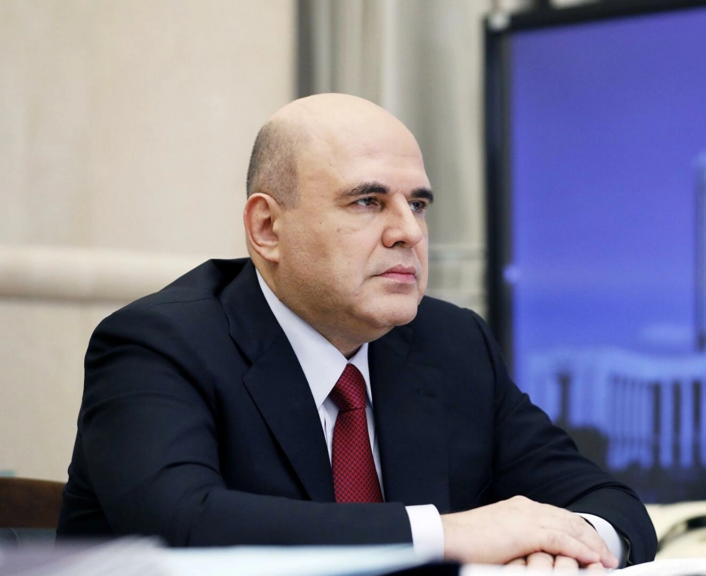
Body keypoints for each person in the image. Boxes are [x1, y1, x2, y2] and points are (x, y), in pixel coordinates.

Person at [57, 94, 656, 568]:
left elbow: (610, 505)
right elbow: (184, 526)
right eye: (368, 202)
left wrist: (569, 547)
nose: (409, 232)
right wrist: (446, 535)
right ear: (267, 228)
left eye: (417, 205)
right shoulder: (158, 343)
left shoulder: (453, 344)